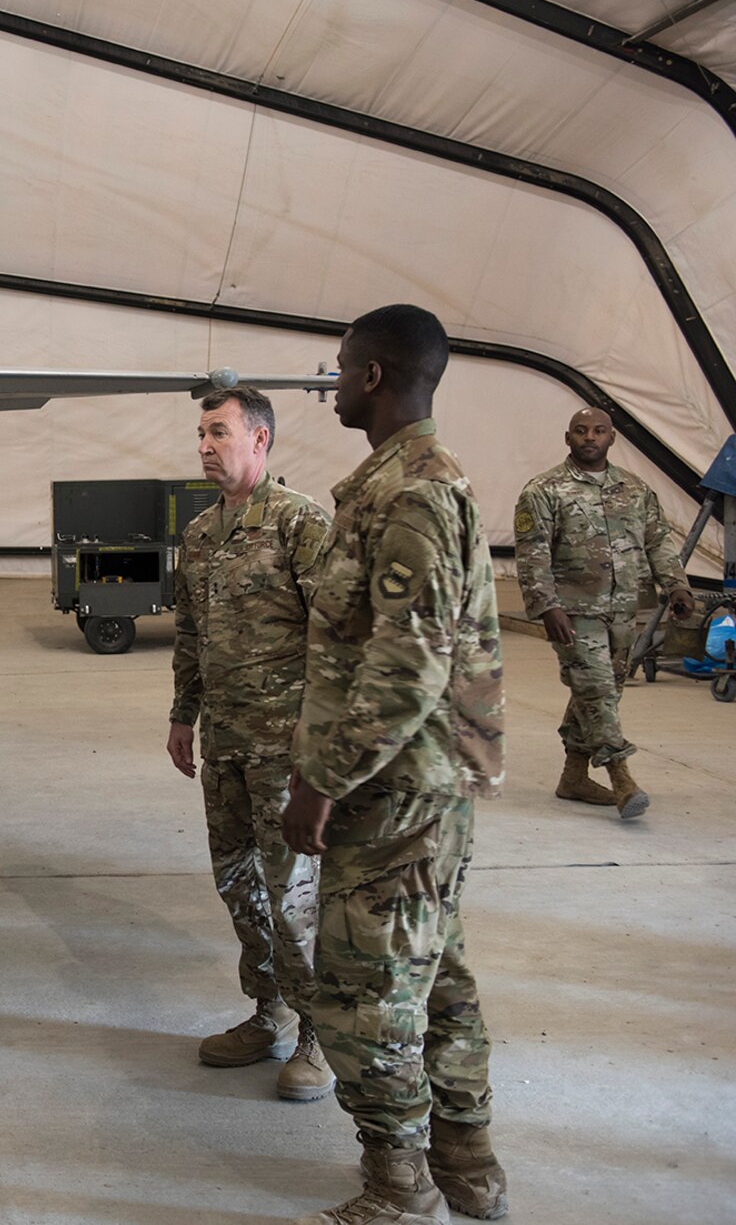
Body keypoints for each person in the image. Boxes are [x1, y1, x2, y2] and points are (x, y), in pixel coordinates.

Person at [282, 305, 509, 1224]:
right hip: (425, 789)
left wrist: (322, 780)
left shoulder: (410, 491)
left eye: (341, 369)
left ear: (374, 376)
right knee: (439, 980)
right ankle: (470, 1170)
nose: (334, 382)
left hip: (393, 796)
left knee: (368, 994)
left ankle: (399, 1192)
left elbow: (408, 665)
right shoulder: (405, 480)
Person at [167, 385, 334, 1101]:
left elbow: (336, 638)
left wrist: (320, 750)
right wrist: (183, 713)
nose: (205, 447)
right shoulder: (202, 534)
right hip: (226, 742)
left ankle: (319, 1036)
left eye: (218, 433)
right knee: (238, 884)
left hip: (285, 751)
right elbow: (188, 634)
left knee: (292, 892)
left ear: (260, 440)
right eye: (201, 435)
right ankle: (266, 1012)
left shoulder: (301, 525)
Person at [515, 407, 694, 819]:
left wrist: (677, 586)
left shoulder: (634, 489)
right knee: (596, 691)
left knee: (600, 695)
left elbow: (658, 542)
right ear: (568, 438)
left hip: (623, 612)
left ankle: (573, 778)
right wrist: (547, 606)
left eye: (599, 431)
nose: (589, 438)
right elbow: (532, 554)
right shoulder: (544, 490)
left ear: (612, 439)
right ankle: (621, 777)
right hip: (573, 612)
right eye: (581, 431)